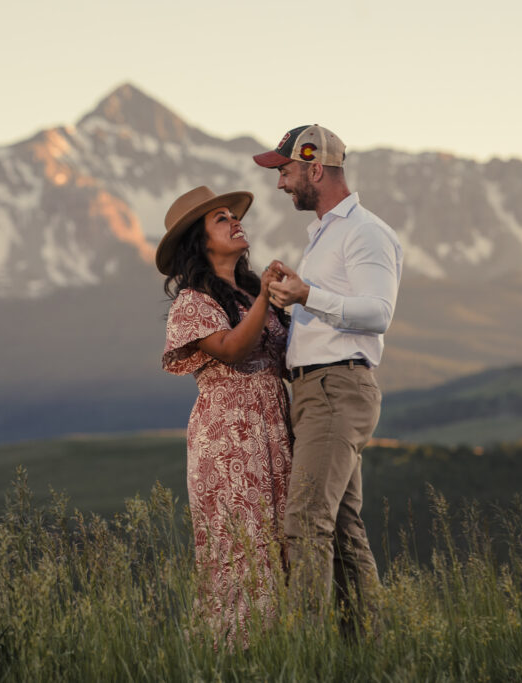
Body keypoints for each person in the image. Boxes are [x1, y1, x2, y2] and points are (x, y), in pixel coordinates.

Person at [253, 125, 403, 629]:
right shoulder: (324, 236)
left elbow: (378, 313)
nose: (281, 184)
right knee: (340, 528)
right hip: (317, 391)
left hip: (337, 390)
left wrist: (307, 296)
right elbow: (330, 313)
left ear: (316, 168)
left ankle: (307, 652)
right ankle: (370, 648)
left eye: (287, 171)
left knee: (305, 525)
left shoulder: (365, 232)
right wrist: (289, 298)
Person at [157, 185, 293, 646]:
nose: (236, 222)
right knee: (241, 546)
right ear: (201, 240)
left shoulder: (251, 291)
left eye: (233, 217)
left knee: (280, 538)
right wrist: (266, 302)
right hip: (228, 439)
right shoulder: (192, 303)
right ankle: (231, 655)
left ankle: (281, 651)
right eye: (221, 220)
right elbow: (233, 350)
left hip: (274, 429)